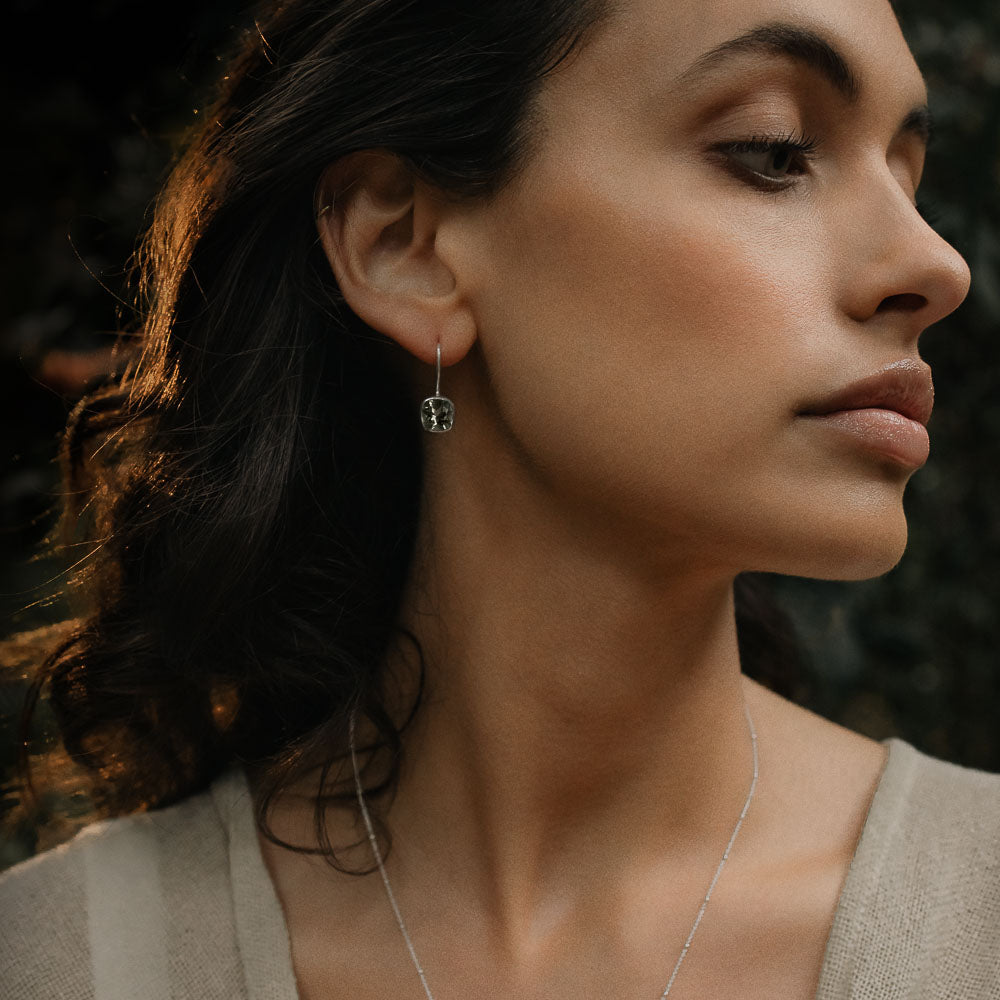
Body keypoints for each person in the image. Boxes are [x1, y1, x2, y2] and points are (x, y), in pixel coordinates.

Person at [2, 0, 998, 997]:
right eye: (774, 151)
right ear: (406, 247)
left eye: (905, 177)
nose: (934, 264)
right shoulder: (59, 960)